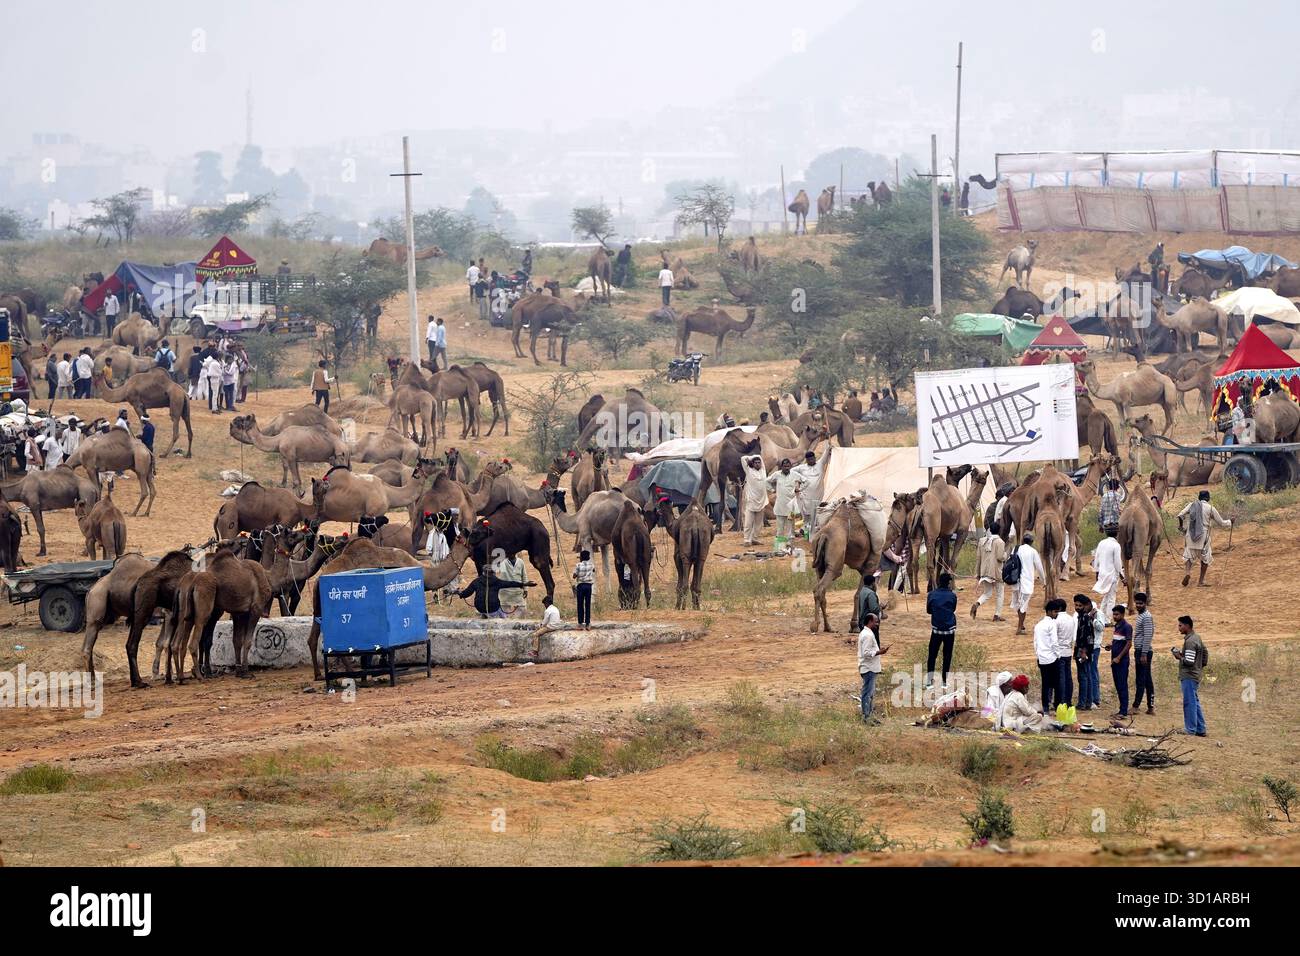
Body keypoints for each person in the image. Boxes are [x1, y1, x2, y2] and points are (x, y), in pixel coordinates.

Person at [1178, 490, 1231, 588]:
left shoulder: (1192, 505)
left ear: (1199, 498)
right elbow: (1222, 523)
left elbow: (1180, 515)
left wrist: (1181, 527)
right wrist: (1230, 521)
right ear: (1208, 498)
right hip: (1203, 536)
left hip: (1190, 534)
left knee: (1188, 555)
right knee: (1205, 558)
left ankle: (1188, 572)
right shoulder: (1210, 508)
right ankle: (1201, 581)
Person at [1173, 615, 1209, 736]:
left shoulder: (1190, 641)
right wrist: (1199, 667)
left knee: (1189, 702)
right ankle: (1200, 728)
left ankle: (1190, 729)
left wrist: (1179, 657)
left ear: (1187, 626)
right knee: (1195, 701)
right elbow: (1205, 654)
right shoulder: (1197, 637)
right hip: (1195, 674)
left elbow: (1189, 661)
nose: (1179, 628)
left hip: (1189, 676)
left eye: (1180, 625)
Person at [925, 572, 958, 689]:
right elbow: (953, 609)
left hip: (936, 630)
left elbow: (928, 611)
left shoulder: (931, 594)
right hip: (949, 630)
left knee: (932, 655)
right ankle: (944, 682)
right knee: (947, 655)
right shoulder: (952, 595)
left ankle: (929, 682)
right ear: (949, 583)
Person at [792, 444, 832, 537]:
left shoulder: (820, 464)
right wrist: (799, 481)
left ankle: (811, 531)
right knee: (807, 515)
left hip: (818, 495)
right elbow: (791, 472)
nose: (811, 460)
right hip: (806, 496)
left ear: (815, 458)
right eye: (809, 459)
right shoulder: (802, 468)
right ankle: (805, 530)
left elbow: (825, 454)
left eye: (813, 458)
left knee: (817, 513)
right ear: (806, 460)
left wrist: (828, 446)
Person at [1011, 532, 1047, 635]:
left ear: (1023, 540)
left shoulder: (1016, 549)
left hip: (1015, 581)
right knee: (1024, 605)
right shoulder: (1033, 552)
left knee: (1019, 604)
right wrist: (1043, 581)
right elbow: (1039, 568)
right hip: (1026, 582)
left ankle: (1021, 624)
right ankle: (1019, 628)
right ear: (1032, 542)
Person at [971, 521, 1007, 621]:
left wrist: (977, 573)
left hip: (984, 572)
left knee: (987, 593)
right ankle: (997, 615)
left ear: (990, 530)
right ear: (999, 530)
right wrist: (1006, 555)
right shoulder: (1000, 542)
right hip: (996, 572)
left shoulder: (982, 541)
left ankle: (977, 603)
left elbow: (978, 558)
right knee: (1000, 594)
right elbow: (1000, 557)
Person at [1034, 599, 1064, 713]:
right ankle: (1057, 706)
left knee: (1045, 684)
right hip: (1052, 658)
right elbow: (1054, 643)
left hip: (1042, 658)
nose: (1056, 614)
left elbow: (1035, 642)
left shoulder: (1038, 625)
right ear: (1050, 612)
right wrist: (1058, 655)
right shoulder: (1051, 624)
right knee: (1057, 684)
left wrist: (1038, 655)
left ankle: (1045, 707)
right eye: (1056, 612)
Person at [857, 613, 888, 723]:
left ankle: (869, 716)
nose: (877, 623)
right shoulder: (868, 635)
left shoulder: (866, 633)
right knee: (867, 694)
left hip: (869, 668)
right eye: (875, 621)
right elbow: (866, 653)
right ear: (870, 621)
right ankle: (867, 717)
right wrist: (880, 652)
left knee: (869, 693)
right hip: (869, 668)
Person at [1072, 594, 1099, 710]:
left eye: (1080, 605)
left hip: (1083, 652)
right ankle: (1087, 702)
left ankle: (1083, 703)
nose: (1077, 607)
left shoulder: (1085, 618)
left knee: (1083, 677)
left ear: (1085, 606)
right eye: (1076, 605)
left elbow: (1088, 637)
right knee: (1085, 676)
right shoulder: (1081, 617)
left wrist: (1083, 652)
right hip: (1082, 651)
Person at [1091, 526, 1124, 620]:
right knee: (1111, 598)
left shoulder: (1101, 543)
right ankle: (1108, 619)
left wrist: (1096, 573)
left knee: (1107, 596)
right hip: (1112, 575)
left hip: (1102, 574)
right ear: (1117, 534)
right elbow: (1118, 564)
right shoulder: (1116, 545)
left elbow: (1096, 559)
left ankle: (1100, 616)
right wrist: (1122, 577)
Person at [766, 458, 798, 552]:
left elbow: (806, 481)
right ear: (781, 467)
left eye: (788, 466)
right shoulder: (777, 474)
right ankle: (780, 547)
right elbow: (766, 481)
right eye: (785, 466)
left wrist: (798, 489)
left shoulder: (795, 475)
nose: (786, 468)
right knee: (780, 529)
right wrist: (772, 490)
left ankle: (790, 545)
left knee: (791, 528)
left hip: (791, 507)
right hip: (780, 506)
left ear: (790, 466)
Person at [1106, 603, 1133, 717]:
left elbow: (1128, 644)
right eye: (1114, 614)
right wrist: (1111, 646)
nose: (1114, 616)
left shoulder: (1127, 627)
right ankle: (1121, 709)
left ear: (1122, 614)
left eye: (1117, 614)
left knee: (1122, 685)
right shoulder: (1117, 626)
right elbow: (1118, 641)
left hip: (1121, 661)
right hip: (1115, 660)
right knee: (1118, 685)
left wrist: (1119, 657)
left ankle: (1123, 711)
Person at [1132, 592, 1156, 714]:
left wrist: (1143, 654)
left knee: (1141, 679)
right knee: (1147, 679)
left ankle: (1136, 706)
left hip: (1143, 651)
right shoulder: (1142, 615)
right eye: (1136, 603)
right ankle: (1150, 707)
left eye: (1140, 603)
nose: (1138, 605)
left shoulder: (1146, 616)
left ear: (1145, 603)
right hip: (1141, 650)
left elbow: (1148, 636)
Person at [1054, 593, 1077, 708]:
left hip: (1059, 652)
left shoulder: (1057, 619)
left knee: (1061, 678)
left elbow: (1054, 637)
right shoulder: (1070, 618)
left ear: (1058, 609)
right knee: (1068, 677)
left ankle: (1062, 701)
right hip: (1068, 650)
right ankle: (1068, 700)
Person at [740, 454, 767, 547]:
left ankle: (755, 539)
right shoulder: (749, 471)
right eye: (755, 463)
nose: (758, 464)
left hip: (762, 501)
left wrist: (758, 458)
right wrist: (750, 459)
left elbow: (760, 456)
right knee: (748, 522)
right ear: (752, 463)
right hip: (751, 501)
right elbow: (743, 458)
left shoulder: (763, 471)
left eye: (759, 462)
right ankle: (747, 540)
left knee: (759, 523)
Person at [496, 552, 528, 618]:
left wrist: (526, 589)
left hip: (518, 591)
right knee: (504, 612)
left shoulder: (520, 562)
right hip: (505, 592)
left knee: (522, 609)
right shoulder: (502, 562)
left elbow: (524, 576)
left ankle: (517, 624)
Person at [572, 550, 595, 629]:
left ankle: (580, 624)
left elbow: (574, 575)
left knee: (580, 604)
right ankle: (588, 623)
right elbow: (593, 570)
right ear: (588, 557)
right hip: (589, 586)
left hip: (580, 586)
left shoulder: (578, 565)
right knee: (588, 604)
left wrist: (576, 575)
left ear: (581, 557)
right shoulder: (591, 565)